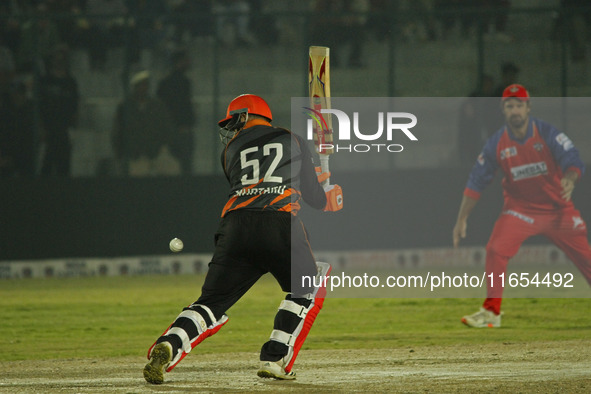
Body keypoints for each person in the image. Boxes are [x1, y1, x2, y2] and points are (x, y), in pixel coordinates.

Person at [143, 94, 343, 384]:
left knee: (210, 303)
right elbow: (315, 199)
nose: (233, 128)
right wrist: (329, 193)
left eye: (236, 119)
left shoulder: (230, 151)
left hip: (235, 227)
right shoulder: (295, 140)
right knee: (309, 285)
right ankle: (275, 359)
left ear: (250, 116)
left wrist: (309, 174)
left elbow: (259, 179)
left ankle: (169, 345)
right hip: (278, 224)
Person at [452, 84, 591, 328]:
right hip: (521, 210)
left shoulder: (548, 133)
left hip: (557, 209)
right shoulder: (496, 143)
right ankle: (491, 312)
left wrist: (570, 178)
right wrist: (461, 219)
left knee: (586, 259)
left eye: (519, 105)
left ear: (528, 107)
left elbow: (573, 160)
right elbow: (476, 181)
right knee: (496, 249)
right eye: (509, 105)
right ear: (503, 110)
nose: (514, 110)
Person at [112, 70, 176, 177]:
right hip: (135, 156)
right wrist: (120, 153)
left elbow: (167, 126)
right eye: (140, 85)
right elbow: (117, 131)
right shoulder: (125, 106)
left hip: (155, 153)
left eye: (145, 84)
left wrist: (162, 146)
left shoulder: (157, 105)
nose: (143, 88)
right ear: (135, 87)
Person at [38, 48, 79, 177]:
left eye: (62, 59)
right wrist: (41, 128)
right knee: (47, 165)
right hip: (48, 129)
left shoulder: (71, 82)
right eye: (56, 58)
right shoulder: (45, 81)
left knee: (64, 166)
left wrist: (73, 130)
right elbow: (39, 106)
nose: (59, 61)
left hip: (64, 130)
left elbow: (75, 107)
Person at [156, 49, 196, 175]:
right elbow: (181, 107)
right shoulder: (182, 82)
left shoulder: (165, 83)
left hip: (172, 128)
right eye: (186, 60)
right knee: (184, 165)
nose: (188, 63)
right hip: (180, 129)